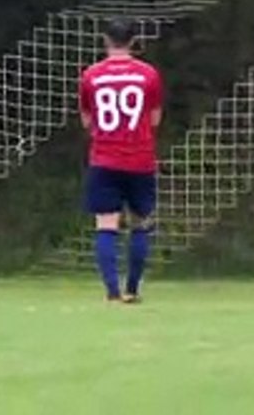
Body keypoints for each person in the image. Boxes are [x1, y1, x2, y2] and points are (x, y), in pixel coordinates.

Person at [78, 18, 164, 303]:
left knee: (106, 225)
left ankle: (112, 292)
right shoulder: (148, 74)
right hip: (140, 159)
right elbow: (154, 118)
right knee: (140, 223)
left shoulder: (91, 75)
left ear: (106, 40)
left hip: (104, 159)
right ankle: (133, 289)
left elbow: (87, 120)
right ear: (133, 40)